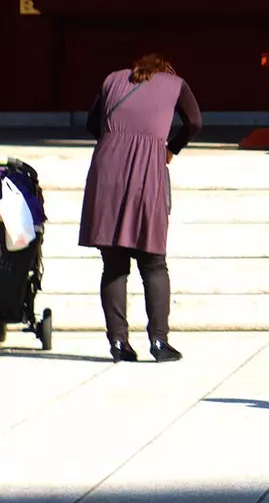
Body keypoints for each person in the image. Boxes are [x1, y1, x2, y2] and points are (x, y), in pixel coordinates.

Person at [79, 53, 201, 362]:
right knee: (153, 263)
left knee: (114, 264)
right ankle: (159, 342)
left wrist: (115, 144)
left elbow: (92, 122)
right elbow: (195, 122)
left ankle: (119, 343)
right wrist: (170, 148)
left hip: (107, 171)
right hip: (147, 170)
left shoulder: (111, 79)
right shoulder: (176, 84)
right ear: (165, 71)